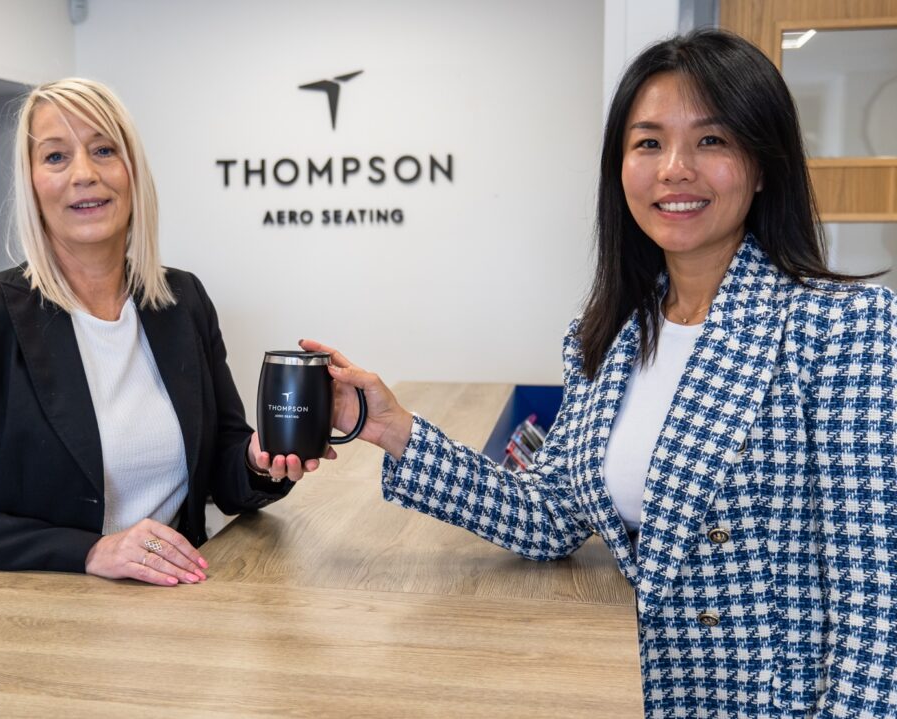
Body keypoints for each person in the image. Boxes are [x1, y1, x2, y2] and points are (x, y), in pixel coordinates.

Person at [303, 30, 897, 717]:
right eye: (648, 142)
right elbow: (553, 516)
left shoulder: (846, 327)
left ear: (763, 165)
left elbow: (876, 597)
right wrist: (396, 429)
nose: (675, 168)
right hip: (637, 689)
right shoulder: (608, 336)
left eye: (711, 140)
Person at [0, 78, 326, 586]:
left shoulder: (183, 301)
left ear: (132, 172)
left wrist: (261, 459)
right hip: (36, 622)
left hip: (179, 610)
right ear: (30, 183)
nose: (84, 174)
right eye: (55, 157)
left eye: (103, 149)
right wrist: (92, 551)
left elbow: (225, 472)